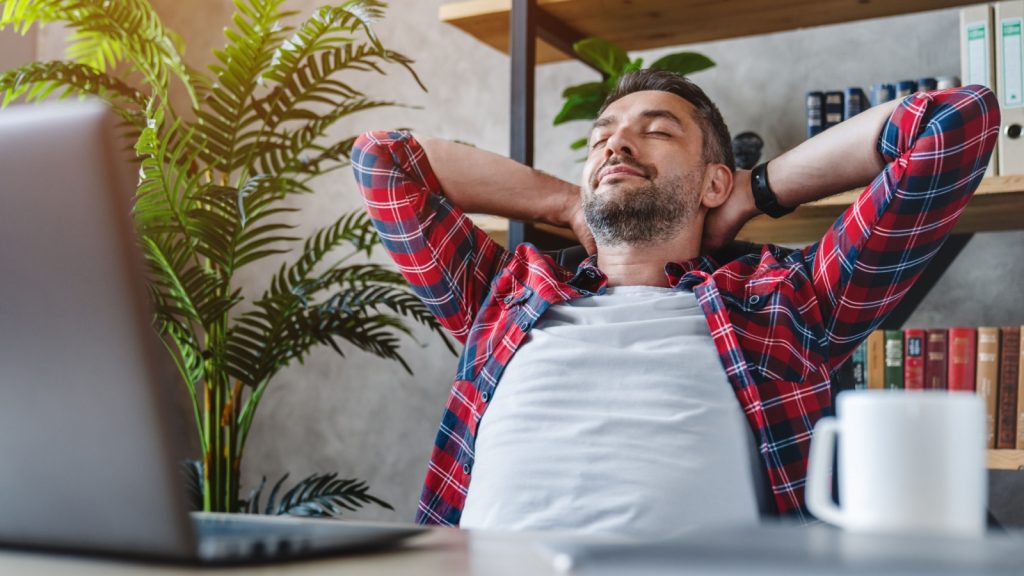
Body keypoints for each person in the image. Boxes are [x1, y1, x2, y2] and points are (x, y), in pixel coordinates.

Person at [351, 70, 999, 537]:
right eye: (603, 136)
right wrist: (568, 203)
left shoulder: (785, 302)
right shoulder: (503, 293)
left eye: (656, 132)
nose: (616, 144)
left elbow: (954, 123)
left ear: (714, 180)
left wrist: (756, 189)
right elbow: (382, 160)